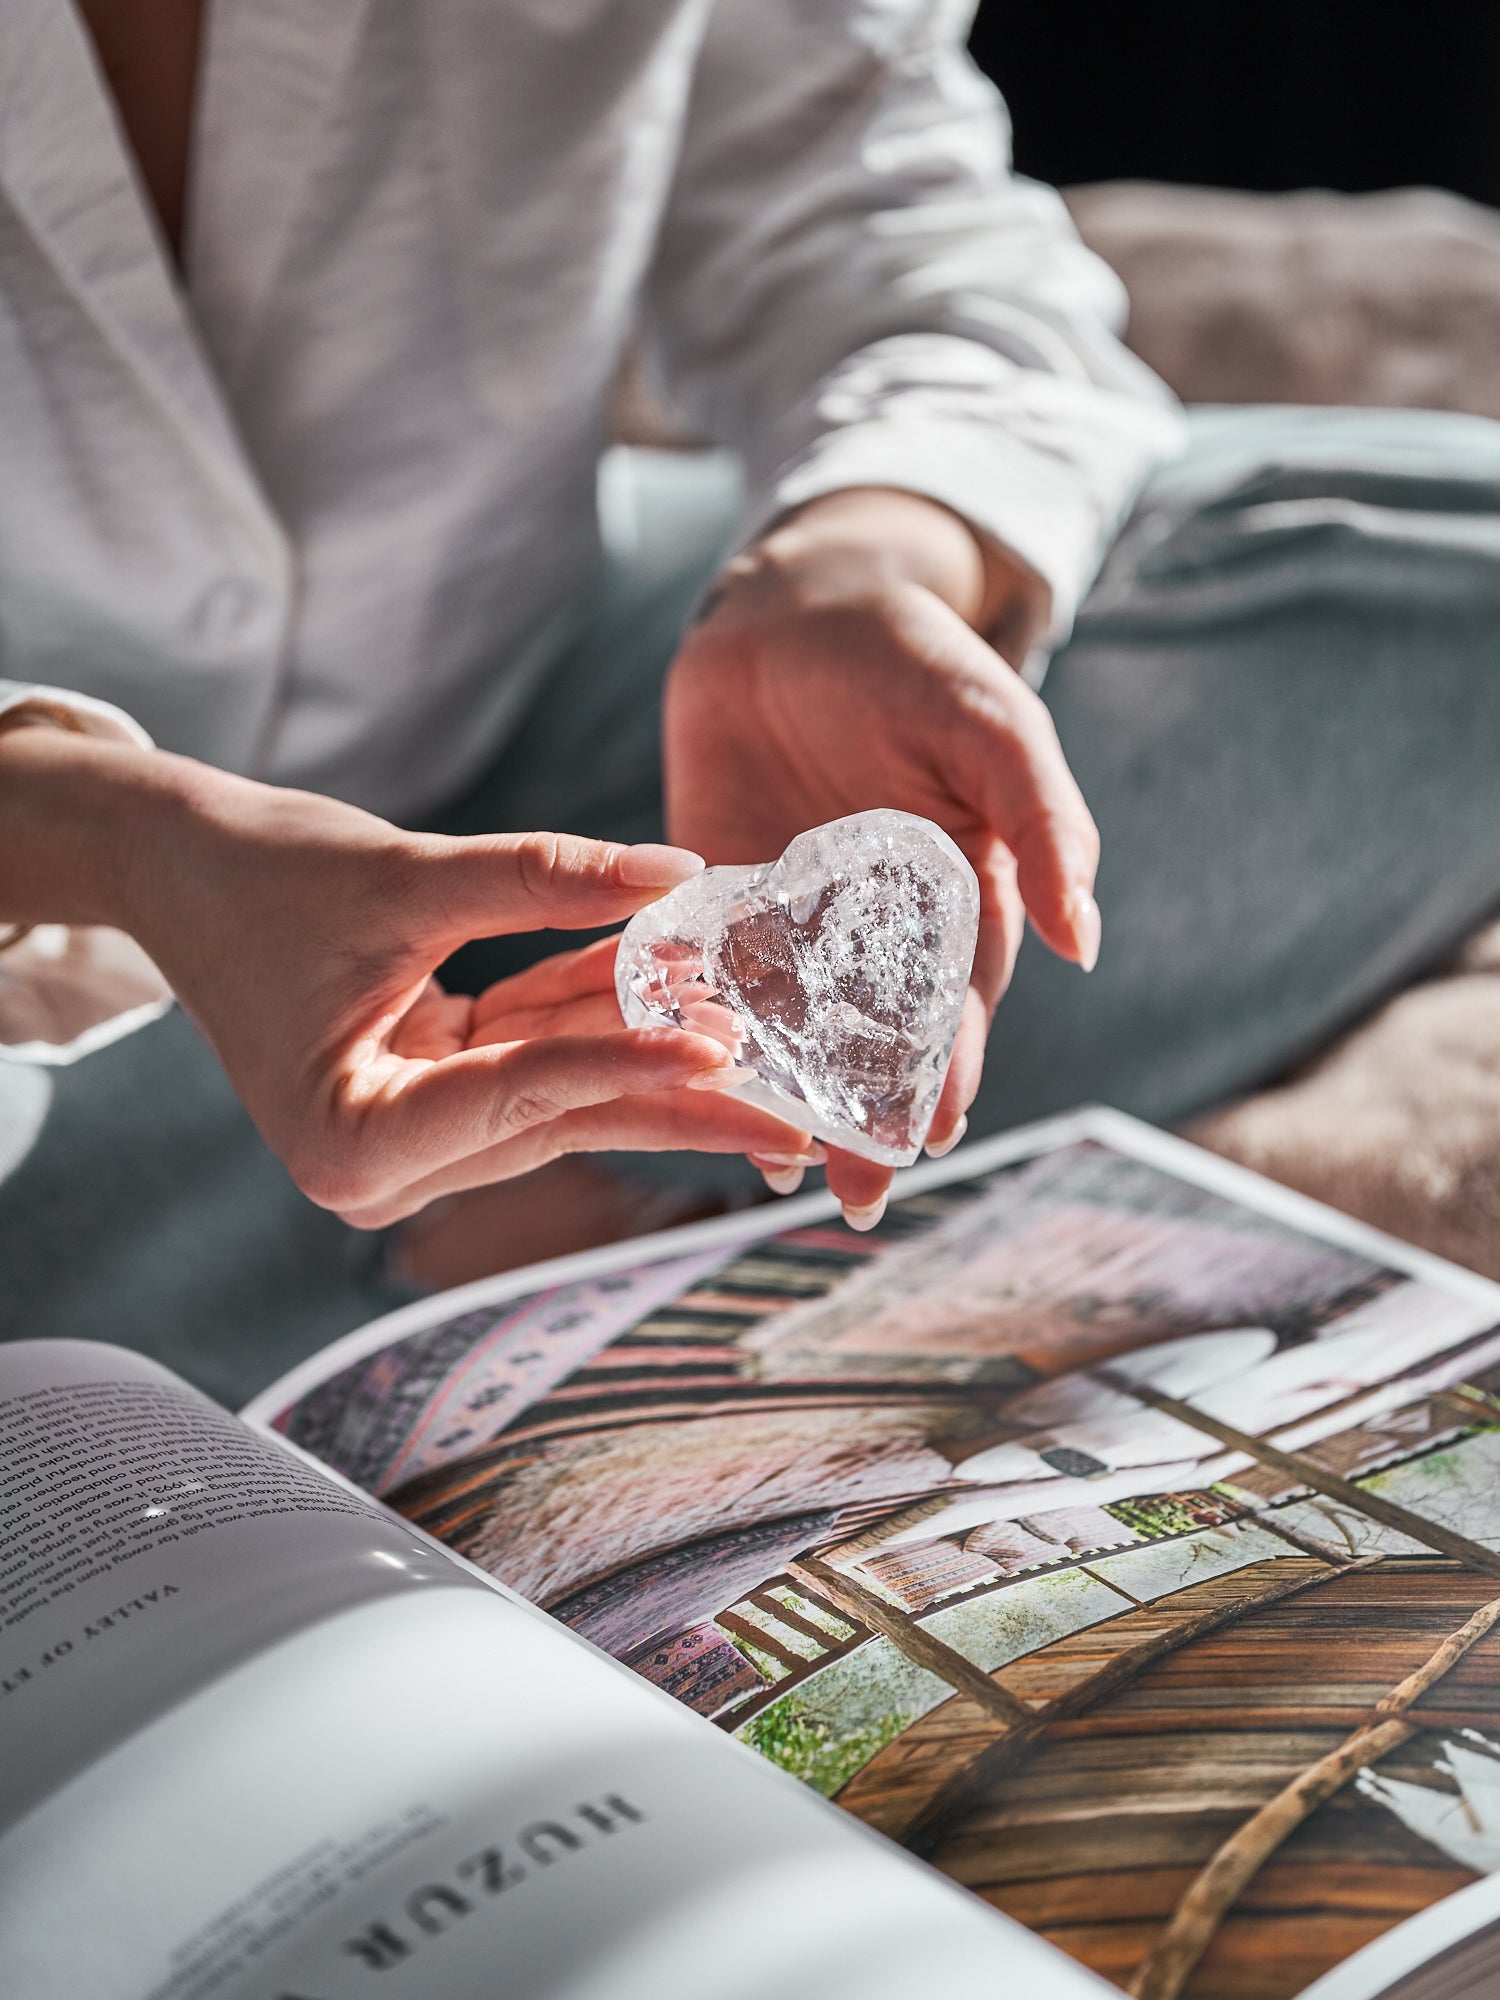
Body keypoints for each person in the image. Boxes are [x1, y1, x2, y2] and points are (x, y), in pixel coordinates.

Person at [3, 2, 1500, 1403]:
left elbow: (891, 229)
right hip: (45, 909)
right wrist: (119, 840)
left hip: (566, 672)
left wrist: (862, 558)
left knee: (1457, 573)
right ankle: (415, 1178)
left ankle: (464, 1169)